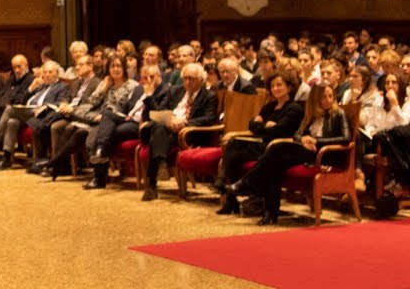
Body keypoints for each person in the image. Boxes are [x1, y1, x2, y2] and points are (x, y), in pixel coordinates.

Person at [230, 84, 350, 224]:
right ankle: (271, 213)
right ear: (315, 99)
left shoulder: (338, 113)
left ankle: (247, 182)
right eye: (324, 97)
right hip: (306, 151)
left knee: (277, 148)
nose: (329, 100)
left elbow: (346, 138)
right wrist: (304, 139)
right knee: (274, 164)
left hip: (324, 154)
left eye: (331, 96)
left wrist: (316, 141)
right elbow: (297, 135)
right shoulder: (311, 114)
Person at [215, 72, 303, 215]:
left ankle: (226, 188)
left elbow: (279, 131)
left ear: (289, 87)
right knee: (232, 144)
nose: (275, 88)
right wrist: (265, 126)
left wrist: (263, 126)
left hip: (275, 148)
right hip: (259, 142)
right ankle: (231, 197)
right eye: (273, 86)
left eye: (279, 85)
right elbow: (252, 125)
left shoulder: (294, 108)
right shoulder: (270, 106)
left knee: (234, 151)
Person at [141, 62, 218, 201]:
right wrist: (170, 119)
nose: (187, 82)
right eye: (185, 78)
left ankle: (152, 185)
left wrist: (184, 123)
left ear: (201, 80)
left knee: (157, 133)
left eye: (192, 79)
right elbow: (157, 112)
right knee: (160, 128)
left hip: (188, 133)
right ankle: (162, 165)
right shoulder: (175, 91)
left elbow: (209, 118)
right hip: (168, 128)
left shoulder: (209, 96)